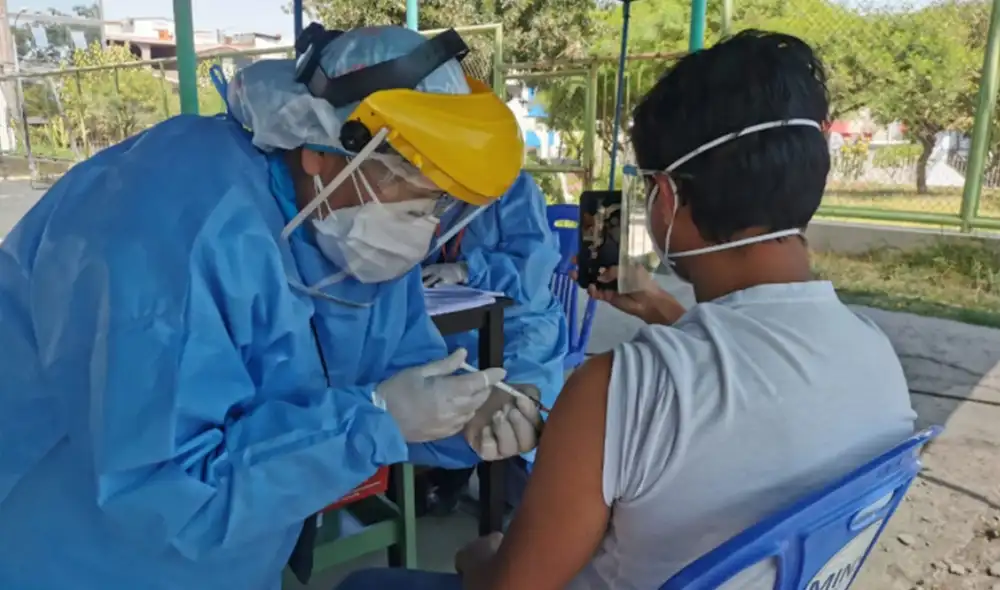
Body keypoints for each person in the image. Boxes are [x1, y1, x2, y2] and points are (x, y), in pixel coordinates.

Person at [335, 30, 917, 590]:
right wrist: (666, 310)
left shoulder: (619, 389)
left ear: (666, 197)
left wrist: (479, 555)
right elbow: (756, 376)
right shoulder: (876, 360)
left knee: (367, 583)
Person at [0, 24, 541, 590]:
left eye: (440, 199)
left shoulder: (352, 238)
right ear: (318, 152)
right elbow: (169, 491)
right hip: (80, 553)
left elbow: (399, 376)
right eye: (408, 183)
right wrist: (373, 421)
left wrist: (468, 414)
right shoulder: (171, 225)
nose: (424, 222)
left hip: (235, 554)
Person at [415, 171, 569, 513]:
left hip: (520, 324)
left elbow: (533, 266)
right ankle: (449, 477)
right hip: (454, 325)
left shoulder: (511, 186)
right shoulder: (427, 181)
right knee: (438, 402)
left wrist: (468, 270)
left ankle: (523, 503)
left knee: (515, 413)